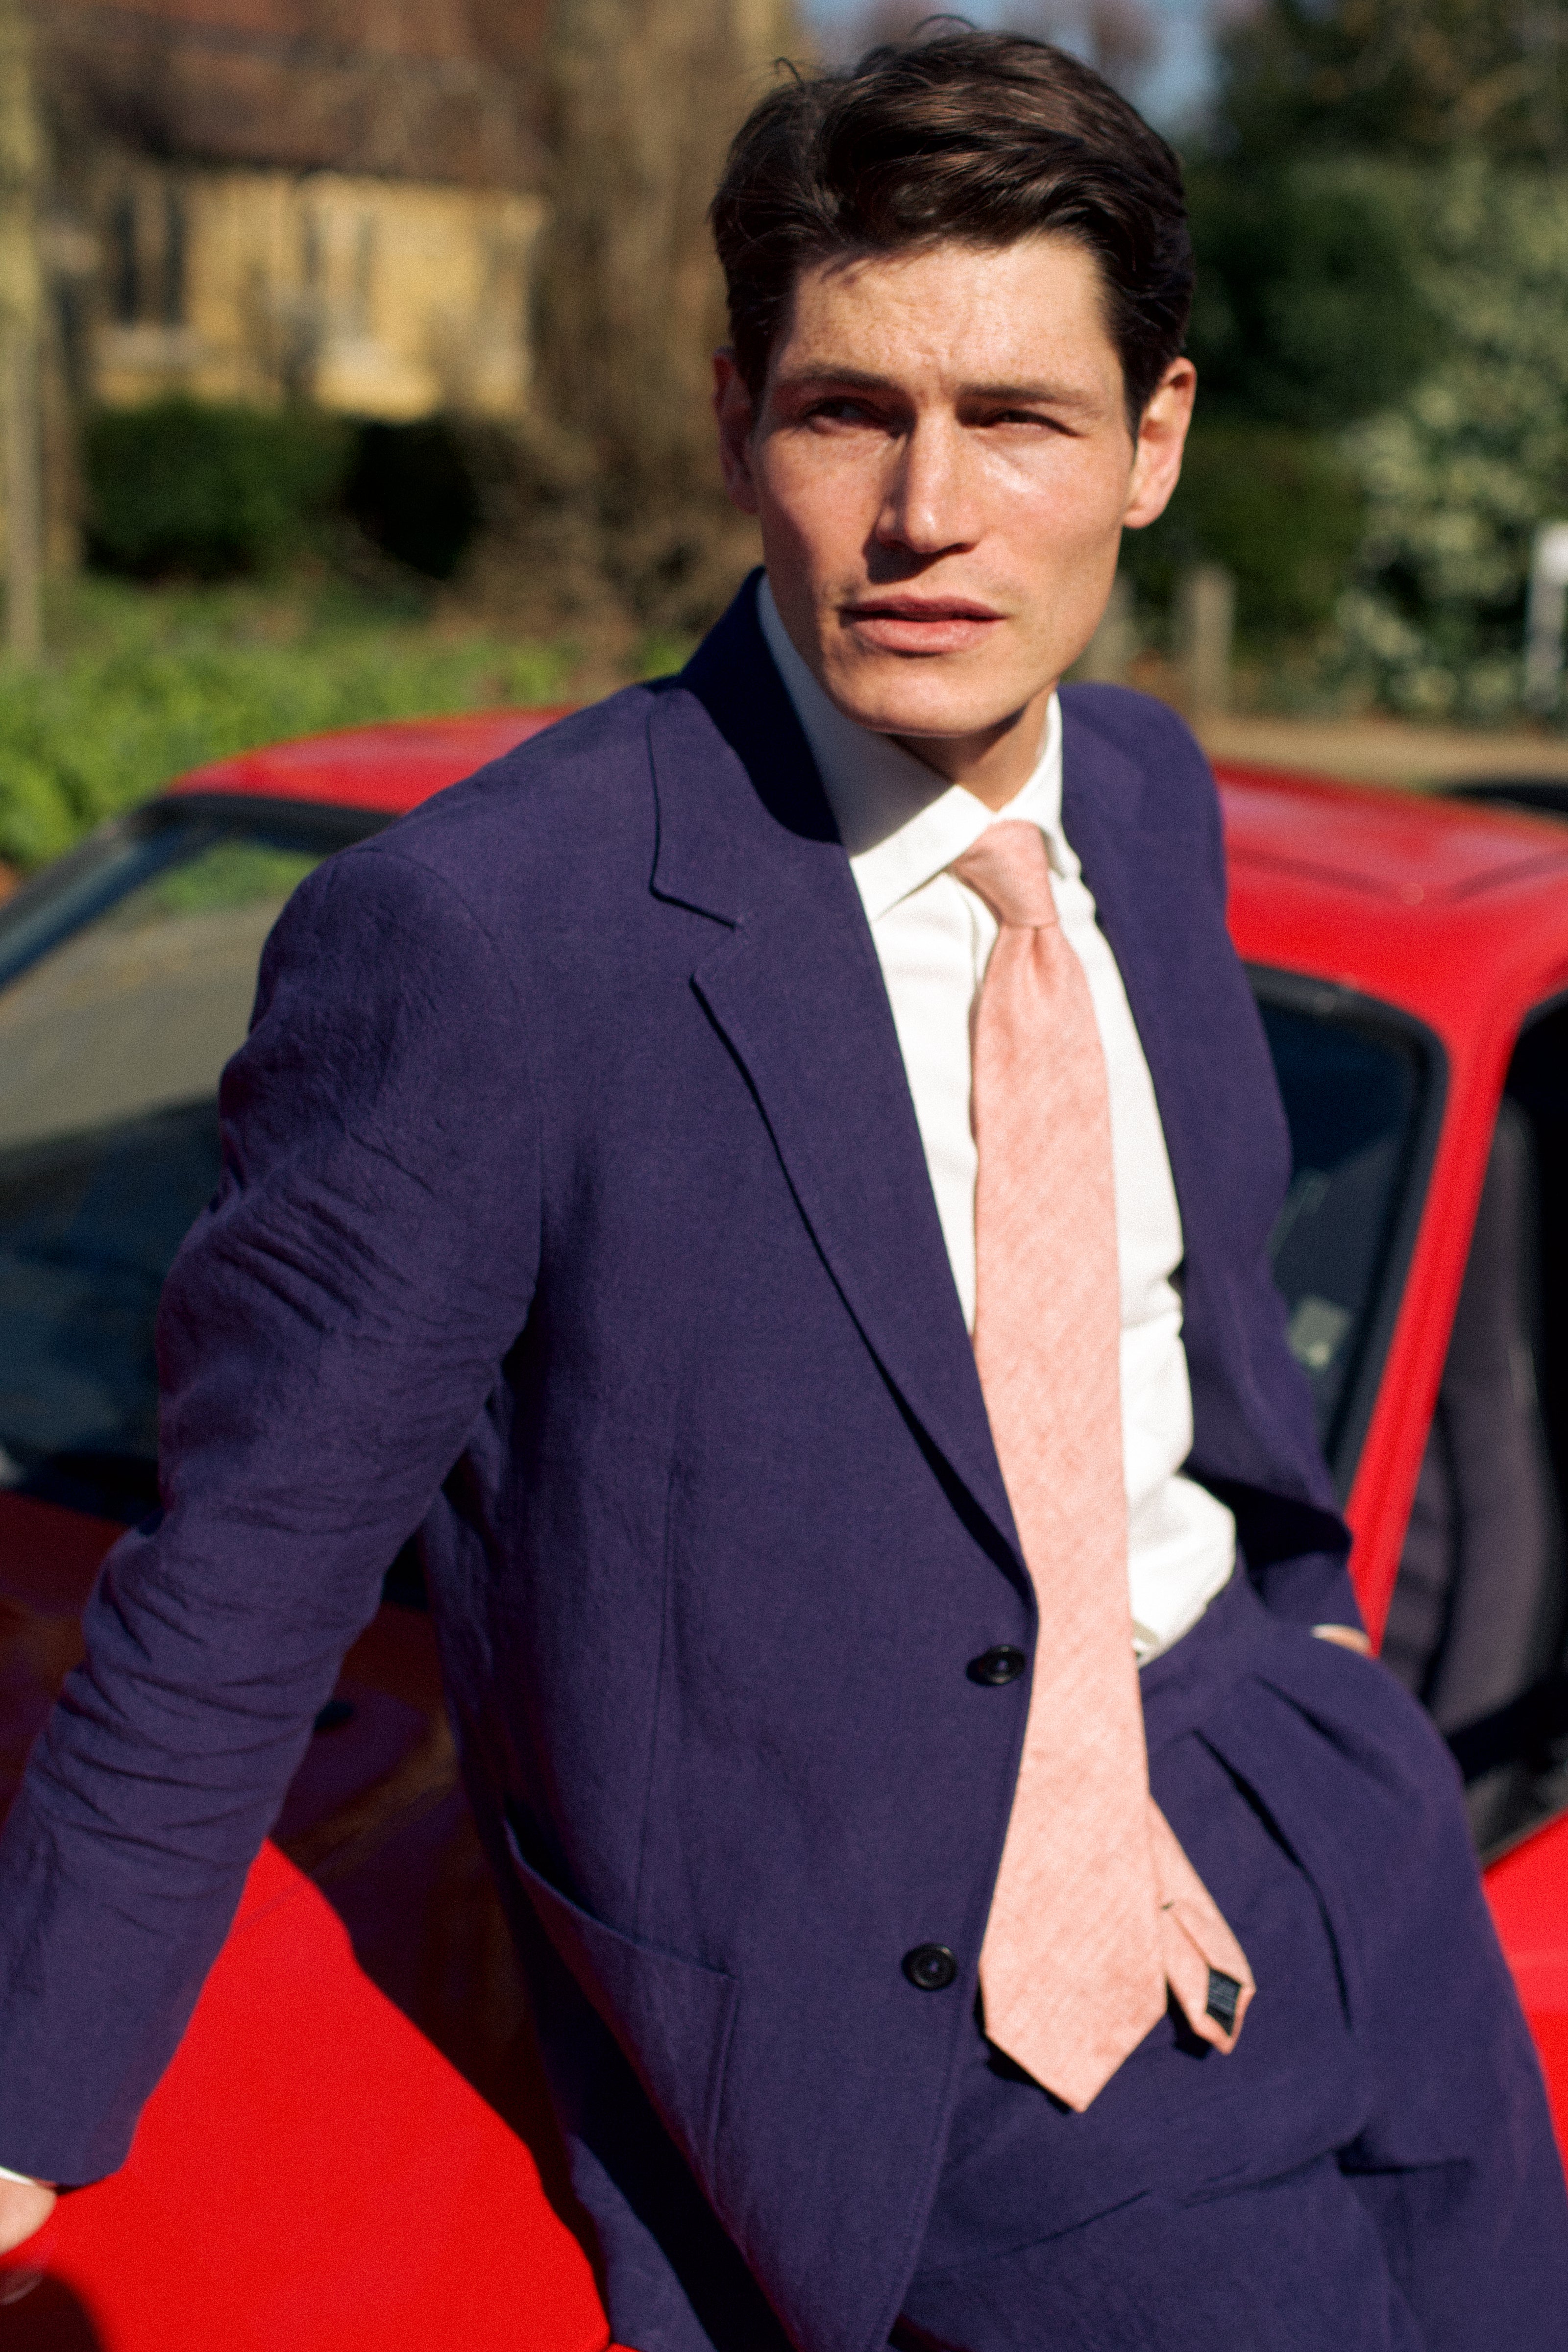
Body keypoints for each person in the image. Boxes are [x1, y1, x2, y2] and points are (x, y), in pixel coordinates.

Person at [0, 31, 1564, 2351]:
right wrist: (27, 2111)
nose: (926, 512)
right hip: (954, 2023)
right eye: (849, 413)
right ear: (738, 419)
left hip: (1313, 1821)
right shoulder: (497, 935)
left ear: (1150, 444)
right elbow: (244, 1568)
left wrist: (1314, 1624)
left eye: (1016, 419)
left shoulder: (1141, 794)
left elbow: (1192, 1278)